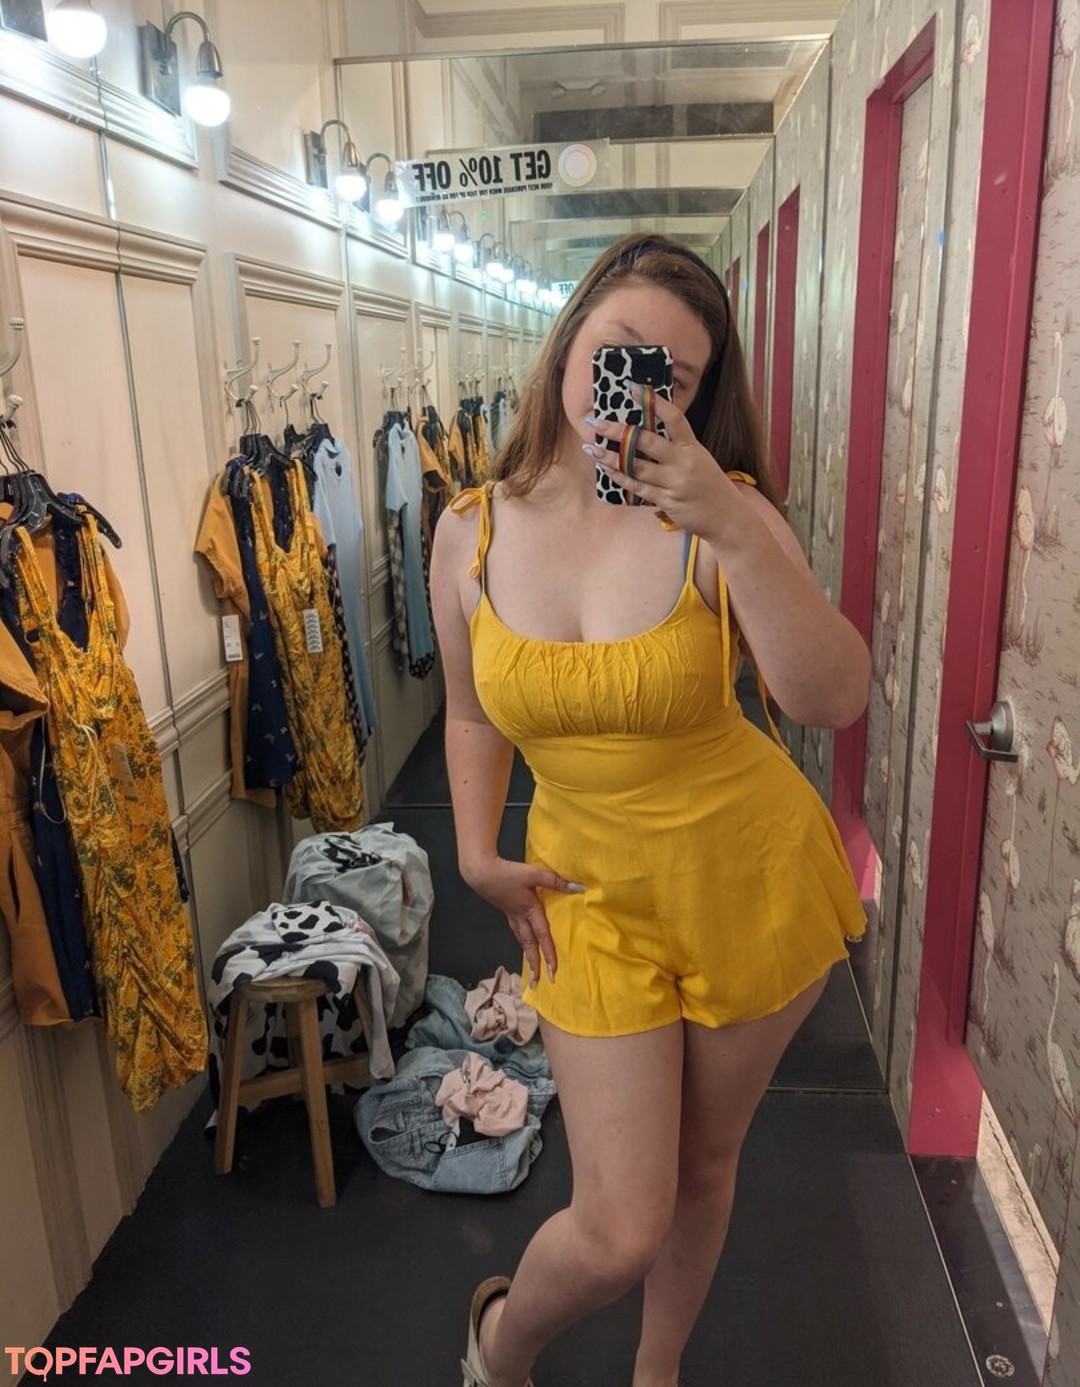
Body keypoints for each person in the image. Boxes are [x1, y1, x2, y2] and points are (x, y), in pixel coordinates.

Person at [430, 232, 870, 1387]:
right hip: (584, 894)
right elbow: (471, 714)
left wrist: (730, 521)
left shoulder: (722, 516)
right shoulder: (470, 530)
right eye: (621, 350)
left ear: (696, 399)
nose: (639, 388)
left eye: (673, 377)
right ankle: (500, 1348)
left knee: (706, 1165)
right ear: (569, 337)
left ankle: (656, 1370)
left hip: (746, 877)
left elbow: (832, 696)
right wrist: (474, 850)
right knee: (619, 1223)